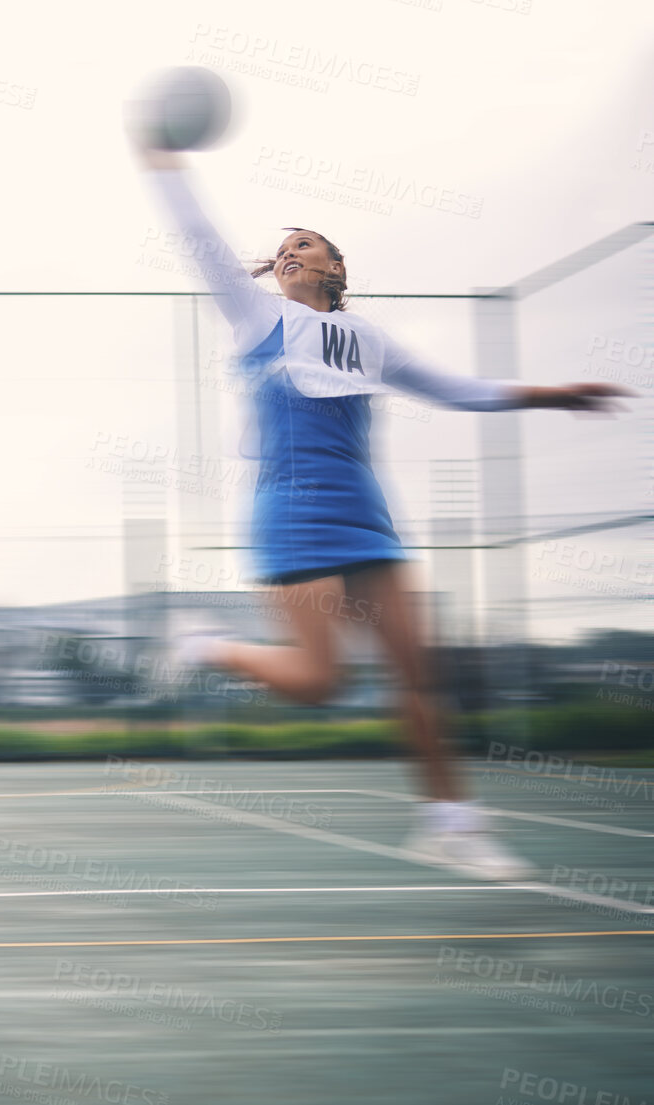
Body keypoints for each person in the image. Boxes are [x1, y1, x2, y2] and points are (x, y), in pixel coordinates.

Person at [136, 140, 630, 879]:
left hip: (364, 509)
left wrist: (554, 394)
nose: (290, 253)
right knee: (320, 682)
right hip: (289, 506)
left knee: (418, 671)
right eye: (282, 250)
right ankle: (207, 646)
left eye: (305, 244)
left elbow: (458, 389)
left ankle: (452, 823)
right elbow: (200, 237)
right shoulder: (253, 318)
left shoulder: (367, 337)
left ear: (337, 268)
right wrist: (163, 158)